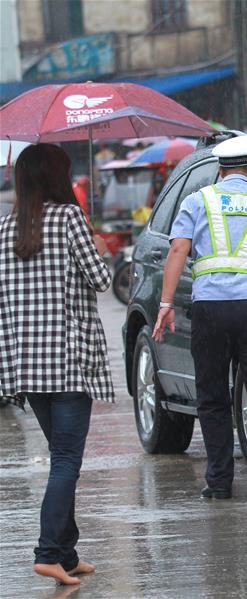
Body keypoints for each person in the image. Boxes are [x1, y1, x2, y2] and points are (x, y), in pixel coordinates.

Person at [152, 135, 247, 503]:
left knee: (212, 395)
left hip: (210, 310)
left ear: (220, 170)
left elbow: (177, 249)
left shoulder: (197, 200)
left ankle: (219, 482)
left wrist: (166, 303)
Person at [0, 144, 113, 585]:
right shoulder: (69, 221)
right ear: (56, 179)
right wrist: (99, 246)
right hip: (69, 362)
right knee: (66, 460)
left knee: (62, 458)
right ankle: (48, 552)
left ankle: (66, 553)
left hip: (27, 366)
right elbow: (102, 281)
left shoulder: (5, 229)